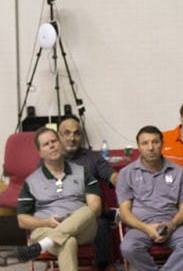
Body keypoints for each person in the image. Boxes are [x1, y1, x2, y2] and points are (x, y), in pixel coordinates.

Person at [10, 127, 101, 270]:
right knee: (68, 241)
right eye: (46, 144)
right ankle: (48, 241)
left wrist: (75, 218)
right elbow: (22, 220)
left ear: (61, 144)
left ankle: (41, 246)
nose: (52, 145)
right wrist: (47, 222)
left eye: (54, 141)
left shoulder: (82, 172)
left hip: (82, 228)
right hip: (45, 228)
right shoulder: (31, 181)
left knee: (87, 211)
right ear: (40, 153)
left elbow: (95, 207)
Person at [117, 126, 183, 271]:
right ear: (139, 147)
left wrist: (171, 226)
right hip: (140, 227)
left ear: (162, 144)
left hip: (173, 225)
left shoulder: (178, 171)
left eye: (155, 142)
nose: (150, 148)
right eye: (145, 143)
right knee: (128, 247)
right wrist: (147, 229)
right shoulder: (126, 173)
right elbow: (124, 213)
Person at [58, 115, 118, 271]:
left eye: (77, 133)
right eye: (67, 133)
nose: (72, 138)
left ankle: (101, 265)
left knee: (101, 224)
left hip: (90, 215)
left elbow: (110, 174)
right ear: (58, 136)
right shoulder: (50, 159)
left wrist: (119, 179)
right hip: (60, 215)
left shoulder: (92, 157)